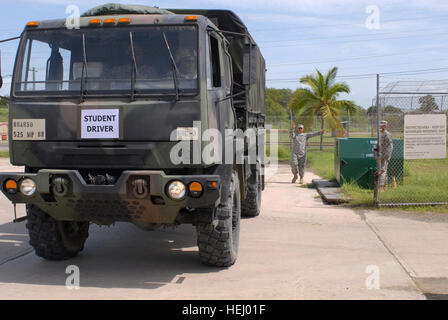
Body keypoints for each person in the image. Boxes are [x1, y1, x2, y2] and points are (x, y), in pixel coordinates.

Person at [374, 120, 394, 192]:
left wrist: (385, 157)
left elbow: (390, 146)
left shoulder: (387, 134)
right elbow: (379, 144)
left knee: (382, 170)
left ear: (385, 126)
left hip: (384, 155)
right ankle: (384, 186)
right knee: (381, 170)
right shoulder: (380, 133)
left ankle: (381, 187)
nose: (380, 126)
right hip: (380, 155)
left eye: (382, 125)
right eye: (380, 125)